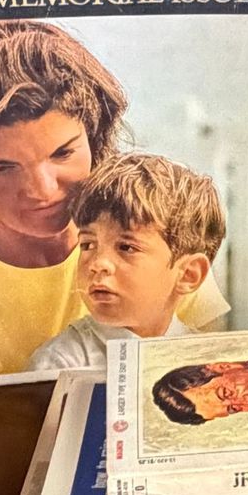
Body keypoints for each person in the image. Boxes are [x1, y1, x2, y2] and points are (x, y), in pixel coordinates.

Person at [0, 20, 228, 376]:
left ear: (93, 136)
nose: (43, 191)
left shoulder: (159, 240)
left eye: (63, 154)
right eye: (2, 168)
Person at [28, 153, 225, 372]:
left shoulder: (211, 360)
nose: (97, 263)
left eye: (126, 247)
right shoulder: (59, 363)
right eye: (88, 245)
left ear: (189, 274)